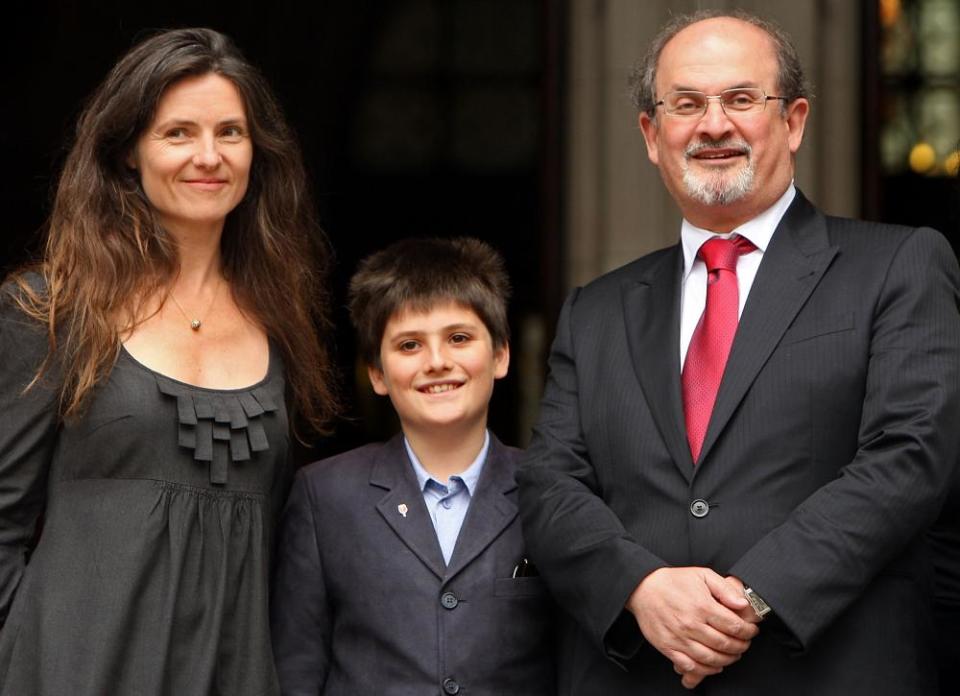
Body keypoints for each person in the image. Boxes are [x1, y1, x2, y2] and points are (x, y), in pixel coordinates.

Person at [518, 9, 960, 695]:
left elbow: (911, 456)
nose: (713, 124)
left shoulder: (898, 265)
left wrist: (746, 599)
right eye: (686, 104)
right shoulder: (596, 310)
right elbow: (550, 486)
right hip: (639, 674)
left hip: (830, 670)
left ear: (794, 121)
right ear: (650, 134)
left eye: (742, 99)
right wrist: (640, 586)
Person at [0, 28, 337, 696]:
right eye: (177, 133)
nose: (208, 157)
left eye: (231, 133)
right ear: (128, 151)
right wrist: (34, 657)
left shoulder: (281, 320)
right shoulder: (51, 310)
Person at [271, 237, 555, 696]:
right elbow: (296, 669)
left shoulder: (549, 489)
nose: (437, 362)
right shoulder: (325, 496)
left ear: (500, 355)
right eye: (409, 345)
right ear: (377, 374)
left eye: (459, 338)